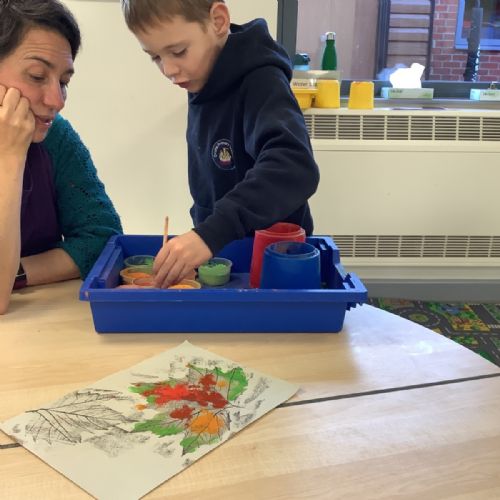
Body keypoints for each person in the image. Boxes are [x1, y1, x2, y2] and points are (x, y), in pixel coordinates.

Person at [121, 0, 320, 288]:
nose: (168, 69)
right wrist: (205, 235)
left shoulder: (262, 80)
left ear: (218, 21)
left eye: (178, 51)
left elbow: (294, 167)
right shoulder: (202, 76)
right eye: (155, 57)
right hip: (227, 253)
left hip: (277, 263)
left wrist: (211, 233)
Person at [0, 0, 122, 314]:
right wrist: (10, 156)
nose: (57, 100)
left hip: (39, 324)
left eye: (64, 82)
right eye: (37, 76)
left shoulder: (55, 136)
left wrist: (17, 272)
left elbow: (102, 238)